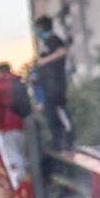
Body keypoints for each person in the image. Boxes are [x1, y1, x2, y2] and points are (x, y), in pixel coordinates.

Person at [33, 16, 73, 151]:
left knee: (60, 111)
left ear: (42, 27)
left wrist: (45, 61)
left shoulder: (53, 39)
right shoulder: (45, 43)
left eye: (38, 28)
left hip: (56, 85)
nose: (36, 31)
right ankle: (57, 142)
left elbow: (62, 51)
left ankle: (68, 139)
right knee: (51, 116)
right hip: (48, 86)